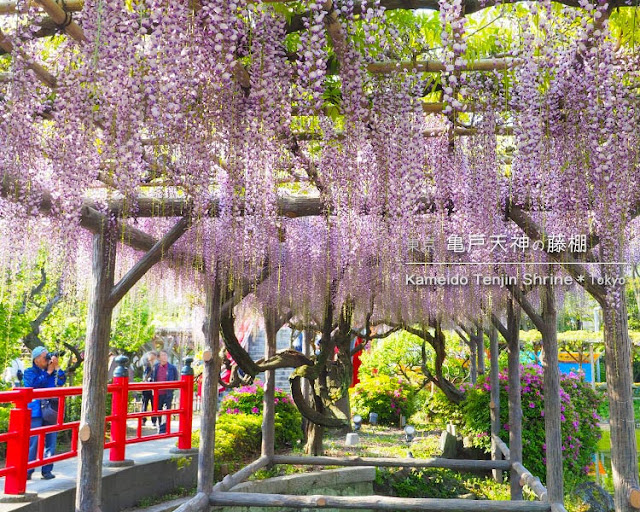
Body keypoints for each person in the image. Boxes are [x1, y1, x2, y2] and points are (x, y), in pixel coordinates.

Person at [23, 346, 66, 480]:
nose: (47, 359)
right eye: (44, 357)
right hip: (36, 410)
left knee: (51, 441)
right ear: (36, 360)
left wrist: (57, 368)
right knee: (33, 442)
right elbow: (33, 384)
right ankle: (28, 470)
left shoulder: (53, 372)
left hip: (50, 410)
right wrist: (48, 372)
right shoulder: (29, 372)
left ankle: (47, 471)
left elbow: (62, 380)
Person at [152, 350, 178, 434]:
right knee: (158, 409)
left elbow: (175, 379)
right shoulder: (155, 367)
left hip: (168, 392)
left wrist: (172, 388)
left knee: (167, 410)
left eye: (166, 355)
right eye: (163, 355)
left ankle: (166, 427)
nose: (165, 357)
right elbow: (153, 378)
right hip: (158, 392)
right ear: (159, 357)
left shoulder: (172, 367)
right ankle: (160, 425)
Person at [141, 351, 158, 427]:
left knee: (154, 405)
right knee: (144, 404)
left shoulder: (157, 366)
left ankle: (154, 420)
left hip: (154, 388)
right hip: (146, 387)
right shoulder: (146, 365)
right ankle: (143, 420)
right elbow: (144, 376)